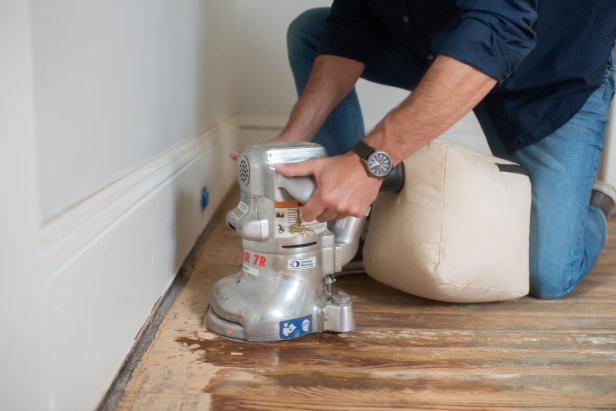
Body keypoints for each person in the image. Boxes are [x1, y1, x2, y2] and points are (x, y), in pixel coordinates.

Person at [243, 1, 616, 299]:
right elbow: (351, 24)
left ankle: (597, 204)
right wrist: (293, 139)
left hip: (553, 68)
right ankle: (349, 216)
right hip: (455, 46)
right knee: (313, 31)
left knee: (548, 276)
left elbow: (502, 29)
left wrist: (368, 163)